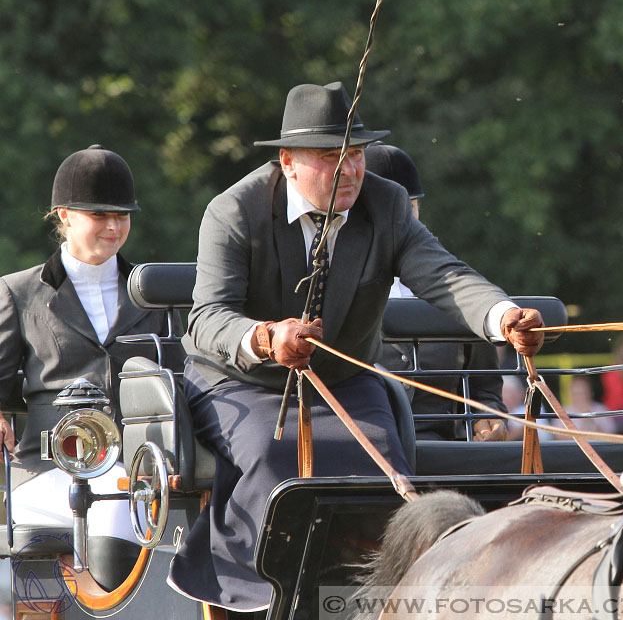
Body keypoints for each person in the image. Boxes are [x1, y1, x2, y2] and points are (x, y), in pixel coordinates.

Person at [168, 82, 545, 612]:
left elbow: (444, 274)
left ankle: (371, 600)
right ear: (288, 162)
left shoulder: (386, 205)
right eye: (330, 158)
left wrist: (503, 317)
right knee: (271, 454)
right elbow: (207, 319)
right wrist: (266, 336)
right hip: (241, 381)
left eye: (358, 155)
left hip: (345, 382)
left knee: (382, 469)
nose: (349, 170)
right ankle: (262, 599)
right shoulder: (233, 211)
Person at [0, 145, 178, 588]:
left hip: (145, 463)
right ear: (65, 215)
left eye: (123, 215)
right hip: (48, 469)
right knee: (117, 498)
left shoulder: (155, 294)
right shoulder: (18, 293)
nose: (115, 227)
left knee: (128, 493)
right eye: (100, 216)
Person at [367, 142, 507, 442]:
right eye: (389, 210)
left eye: (410, 208)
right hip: (360, 447)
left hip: (441, 448)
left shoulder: (456, 286)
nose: (402, 221)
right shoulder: (329, 281)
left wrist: (487, 419)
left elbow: (484, 388)